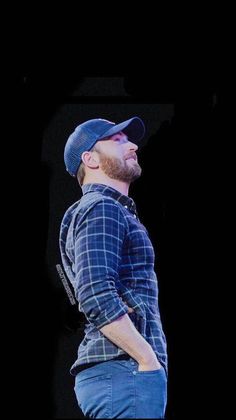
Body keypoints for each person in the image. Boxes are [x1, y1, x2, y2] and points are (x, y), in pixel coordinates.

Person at [59, 116, 168, 419]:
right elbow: (94, 294)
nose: (133, 145)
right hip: (125, 370)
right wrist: (147, 359)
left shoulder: (103, 210)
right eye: (117, 140)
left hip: (122, 371)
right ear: (90, 158)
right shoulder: (101, 207)